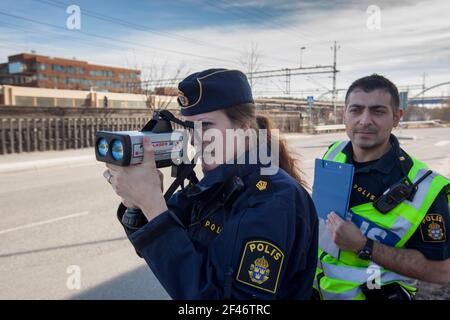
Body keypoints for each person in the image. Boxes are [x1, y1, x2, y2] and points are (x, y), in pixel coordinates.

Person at [103, 68, 318, 299]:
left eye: (206, 125)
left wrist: (152, 203)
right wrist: (136, 203)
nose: (195, 138)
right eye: (189, 126)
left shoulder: (274, 199)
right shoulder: (218, 183)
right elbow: (161, 247)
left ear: (244, 126)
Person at [314, 74, 450, 300]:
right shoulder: (334, 153)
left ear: (397, 117)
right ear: (344, 114)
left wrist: (365, 246)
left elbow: (442, 271)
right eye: (356, 110)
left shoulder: (426, 188)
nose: (365, 120)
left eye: (378, 111)